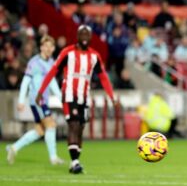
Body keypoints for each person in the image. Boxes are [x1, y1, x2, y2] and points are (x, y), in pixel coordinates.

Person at [36, 25, 115, 174]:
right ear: (77, 36)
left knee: (80, 129)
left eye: (87, 34)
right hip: (69, 95)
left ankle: (74, 163)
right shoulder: (67, 52)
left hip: (84, 97)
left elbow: (103, 77)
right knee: (73, 124)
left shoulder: (94, 56)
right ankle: (75, 161)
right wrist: (41, 91)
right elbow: (53, 70)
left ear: (91, 37)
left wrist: (111, 95)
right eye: (82, 34)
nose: (84, 37)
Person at [6, 36, 64, 165]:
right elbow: (25, 82)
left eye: (51, 46)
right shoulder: (34, 62)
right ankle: (53, 158)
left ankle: (14, 148)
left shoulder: (51, 62)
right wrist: (21, 100)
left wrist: (61, 99)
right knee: (51, 124)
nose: (48, 49)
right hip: (37, 100)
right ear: (41, 47)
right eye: (46, 46)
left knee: (40, 131)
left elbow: (52, 82)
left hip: (45, 100)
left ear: (54, 48)